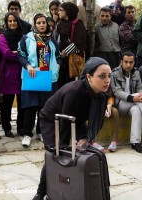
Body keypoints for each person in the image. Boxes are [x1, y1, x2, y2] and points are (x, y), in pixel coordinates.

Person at [32, 57, 111, 200]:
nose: (107, 80)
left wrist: (86, 139)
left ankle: (73, 187)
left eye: (109, 76)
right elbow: (64, 123)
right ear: (88, 77)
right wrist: (65, 144)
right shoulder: (75, 91)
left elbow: (98, 122)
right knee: (56, 154)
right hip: (53, 119)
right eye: (102, 76)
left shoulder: (102, 95)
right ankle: (40, 193)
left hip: (75, 119)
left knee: (81, 150)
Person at [18, 13, 61, 147]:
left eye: (43, 22)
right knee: (30, 106)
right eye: (38, 23)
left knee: (45, 107)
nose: (41, 25)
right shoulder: (27, 39)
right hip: (33, 75)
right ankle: (27, 134)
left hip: (49, 77)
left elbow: (58, 56)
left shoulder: (52, 40)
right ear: (34, 25)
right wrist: (28, 65)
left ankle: (41, 132)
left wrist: (57, 66)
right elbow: (20, 55)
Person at [0, 12, 23, 138]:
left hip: (22, 73)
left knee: (22, 102)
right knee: (7, 103)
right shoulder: (2, 36)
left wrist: (17, 53)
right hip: (8, 73)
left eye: (14, 20)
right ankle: (6, 128)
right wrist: (19, 55)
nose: (12, 23)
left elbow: (27, 53)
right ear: (6, 23)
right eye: (10, 21)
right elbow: (6, 53)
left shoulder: (23, 36)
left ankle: (21, 127)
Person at [111, 51, 142, 153]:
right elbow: (117, 91)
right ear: (121, 62)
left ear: (134, 63)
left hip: (134, 104)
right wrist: (132, 98)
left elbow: (140, 89)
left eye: (131, 62)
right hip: (121, 105)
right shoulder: (114, 73)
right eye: (126, 62)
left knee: (137, 110)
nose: (128, 65)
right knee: (138, 102)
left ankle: (135, 142)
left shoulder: (136, 72)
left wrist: (139, 95)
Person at [54, 2, 86, 88]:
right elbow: (55, 38)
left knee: (70, 82)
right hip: (60, 57)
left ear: (68, 11)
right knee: (59, 80)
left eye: (61, 10)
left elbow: (79, 41)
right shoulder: (59, 23)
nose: (58, 12)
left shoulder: (78, 23)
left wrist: (65, 52)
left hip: (72, 57)